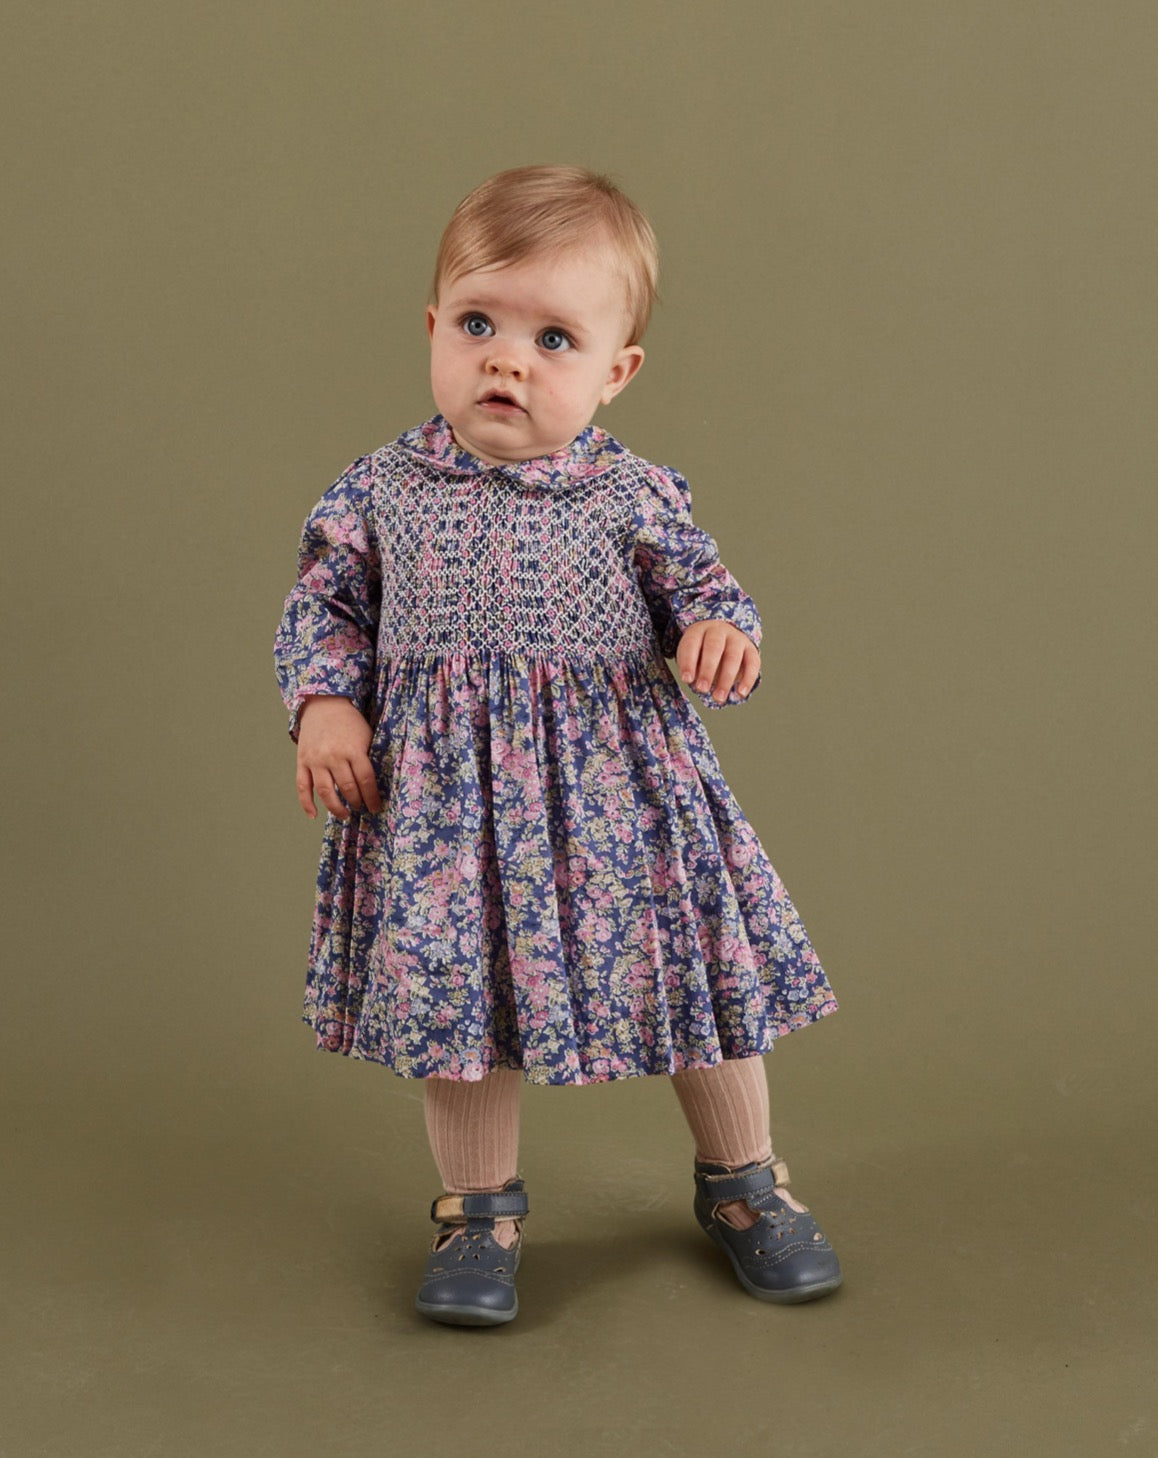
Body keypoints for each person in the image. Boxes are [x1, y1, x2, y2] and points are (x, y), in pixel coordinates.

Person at [273, 165, 842, 1327]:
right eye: (478, 324)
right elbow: (322, 609)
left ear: (616, 371)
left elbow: (704, 585)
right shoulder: (379, 493)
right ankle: (477, 1214)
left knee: (696, 982)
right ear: (433, 328)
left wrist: (722, 632)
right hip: (442, 812)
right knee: (458, 1006)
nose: (508, 361)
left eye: (554, 337)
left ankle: (743, 1184)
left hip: (620, 798)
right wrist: (327, 704)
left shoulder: (630, 495)